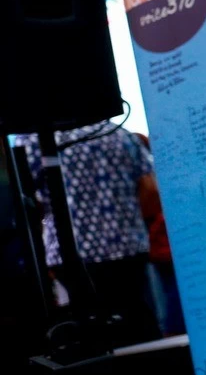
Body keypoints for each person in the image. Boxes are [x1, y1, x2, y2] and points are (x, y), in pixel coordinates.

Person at [14, 121, 161, 346]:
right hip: (129, 247)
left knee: (89, 333)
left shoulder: (34, 138)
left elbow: (27, 200)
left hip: (70, 251)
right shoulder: (118, 133)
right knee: (135, 323)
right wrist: (123, 219)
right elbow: (150, 190)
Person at [135, 132, 186, 336]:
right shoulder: (161, 174)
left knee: (169, 289)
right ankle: (174, 330)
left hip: (158, 245)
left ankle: (172, 330)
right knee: (173, 289)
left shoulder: (151, 178)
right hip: (166, 245)